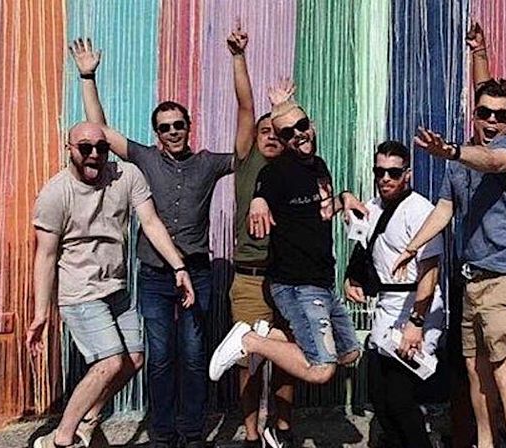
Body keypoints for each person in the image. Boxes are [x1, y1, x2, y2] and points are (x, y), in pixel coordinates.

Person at [70, 38, 233, 448]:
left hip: (197, 272)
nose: (173, 132)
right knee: (159, 358)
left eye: (179, 125)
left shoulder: (209, 163)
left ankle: (192, 433)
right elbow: (101, 132)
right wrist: (88, 77)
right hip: (156, 276)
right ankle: (162, 433)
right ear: (156, 133)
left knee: (195, 357)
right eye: (165, 127)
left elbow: (251, 154)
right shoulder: (143, 159)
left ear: (188, 127)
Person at [392, 79, 506, 448]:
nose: (492, 121)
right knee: (478, 376)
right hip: (474, 281)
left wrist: (451, 151)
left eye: (501, 115)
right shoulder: (458, 166)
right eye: (484, 113)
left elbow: (492, 162)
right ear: (472, 114)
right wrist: (413, 245)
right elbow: (446, 208)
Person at [27, 122, 194, 448]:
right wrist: (40, 312)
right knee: (109, 362)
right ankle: (60, 440)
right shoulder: (55, 193)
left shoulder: (126, 176)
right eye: (85, 148)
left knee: (133, 359)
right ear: (69, 149)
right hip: (80, 291)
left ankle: (88, 422)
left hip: (115, 287)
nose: (94, 154)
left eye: (101, 148)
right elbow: (45, 256)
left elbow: (151, 222)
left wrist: (179, 266)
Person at [208, 95, 366, 389]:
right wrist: (257, 202)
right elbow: (262, 194)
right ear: (282, 140)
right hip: (296, 284)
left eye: (301, 126)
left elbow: (318, 210)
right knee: (321, 369)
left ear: (312, 126)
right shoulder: (275, 172)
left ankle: (261, 335)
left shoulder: (318, 166)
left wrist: (343, 199)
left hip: (321, 281)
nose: (297, 134)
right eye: (287, 133)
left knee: (349, 352)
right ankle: (250, 340)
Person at [343, 140, 444, 448]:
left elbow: (431, 270)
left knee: (400, 400)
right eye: (380, 171)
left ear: (407, 174)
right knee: (381, 401)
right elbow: (365, 246)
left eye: (394, 172)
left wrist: (417, 321)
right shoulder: (370, 207)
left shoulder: (421, 210)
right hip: (386, 309)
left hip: (418, 308)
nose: (385, 178)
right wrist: (351, 276)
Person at [225, 25, 296, 448]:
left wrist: (286, 108)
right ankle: (252, 435)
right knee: (248, 360)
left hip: (288, 278)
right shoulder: (246, 159)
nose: (270, 136)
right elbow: (246, 106)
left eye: (278, 132)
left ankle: (282, 429)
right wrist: (239, 57)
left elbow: (301, 133)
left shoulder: (293, 167)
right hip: (250, 279)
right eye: (265, 131)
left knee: (288, 361)